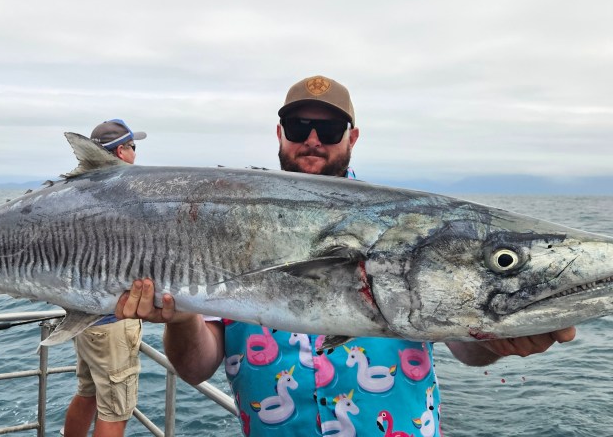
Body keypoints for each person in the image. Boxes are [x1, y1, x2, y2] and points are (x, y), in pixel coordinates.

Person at [114, 76, 576, 436]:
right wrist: (178, 318)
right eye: (299, 126)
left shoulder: (412, 230)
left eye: (329, 128)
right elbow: (196, 367)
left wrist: (497, 336)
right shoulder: (224, 223)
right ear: (280, 133)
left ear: (352, 137)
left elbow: (464, 347)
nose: (313, 138)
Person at [63, 119, 145, 437]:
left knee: (88, 393)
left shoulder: (82, 194)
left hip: (87, 317)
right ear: (121, 151)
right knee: (115, 409)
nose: (136, 154)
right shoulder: (123, 195)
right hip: (112, 318)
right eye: (133, 147)